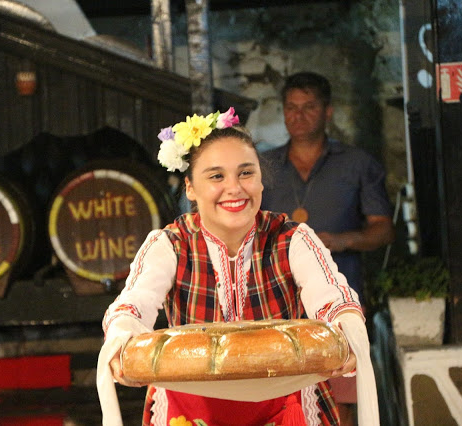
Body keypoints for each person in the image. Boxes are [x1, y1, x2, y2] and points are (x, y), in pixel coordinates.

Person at [96, 108, 378, 426]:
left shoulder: (291, 238)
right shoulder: (170, 244)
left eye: (246, 173)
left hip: (287, 405)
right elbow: (134, 304)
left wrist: (346, 331)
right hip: (191, 409)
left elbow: (333, 298)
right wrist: (121, 338)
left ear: (261, 181)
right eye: (216, 176)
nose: (234, 188)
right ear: (190, 187)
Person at [260, 72, 395, 425]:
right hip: (278, 303)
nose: (298, 116)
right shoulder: (263, 167)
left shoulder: (357, 163)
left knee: (340, 402)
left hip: (340, 298)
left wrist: (340, 241)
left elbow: (383, 229)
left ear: (328, 112)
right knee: (281, 402)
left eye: (309, 107)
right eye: (291, 107)